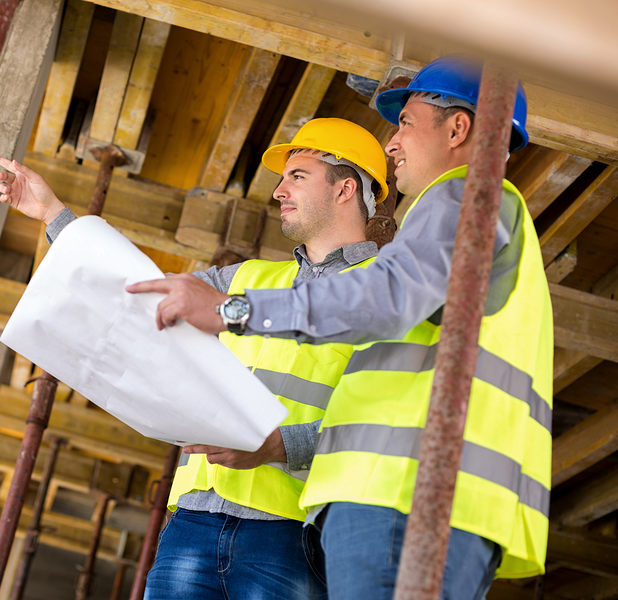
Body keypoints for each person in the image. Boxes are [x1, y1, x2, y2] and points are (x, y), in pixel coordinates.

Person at [127, 55, 552, 600]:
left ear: (459, 127)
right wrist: (60, 224)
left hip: (407, 497)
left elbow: (386, 294)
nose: (393, 144)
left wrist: (235, 312)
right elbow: (139, 290)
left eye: (404, 123)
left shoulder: (466, 199)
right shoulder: (447, 229)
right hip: (396, 497)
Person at [0, 117, 390, 600]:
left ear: (345, 188)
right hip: (194, 522)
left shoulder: (389, 292)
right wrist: (54, 215)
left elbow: (388, 424)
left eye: (296, 177)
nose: (279, 191)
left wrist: (279, 446)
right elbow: (139, 291)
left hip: (294, 532)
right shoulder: (247, 278)